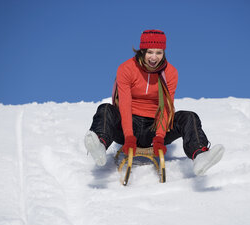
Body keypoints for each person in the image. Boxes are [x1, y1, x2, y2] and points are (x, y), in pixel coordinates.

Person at [84, 29, 224, 175]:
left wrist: (159, 137)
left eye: (159, 52)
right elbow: (124, 104)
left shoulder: (170, 73)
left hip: (155, 126)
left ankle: (200, 155)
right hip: (128, 124)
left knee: (189, 117)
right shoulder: (126, 68)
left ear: (164, 52)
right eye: (150, 52)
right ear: (142, 51)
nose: (154, 57)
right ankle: (99, 145)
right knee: (105, 109)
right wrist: (129, 136)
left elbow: (166, 108)